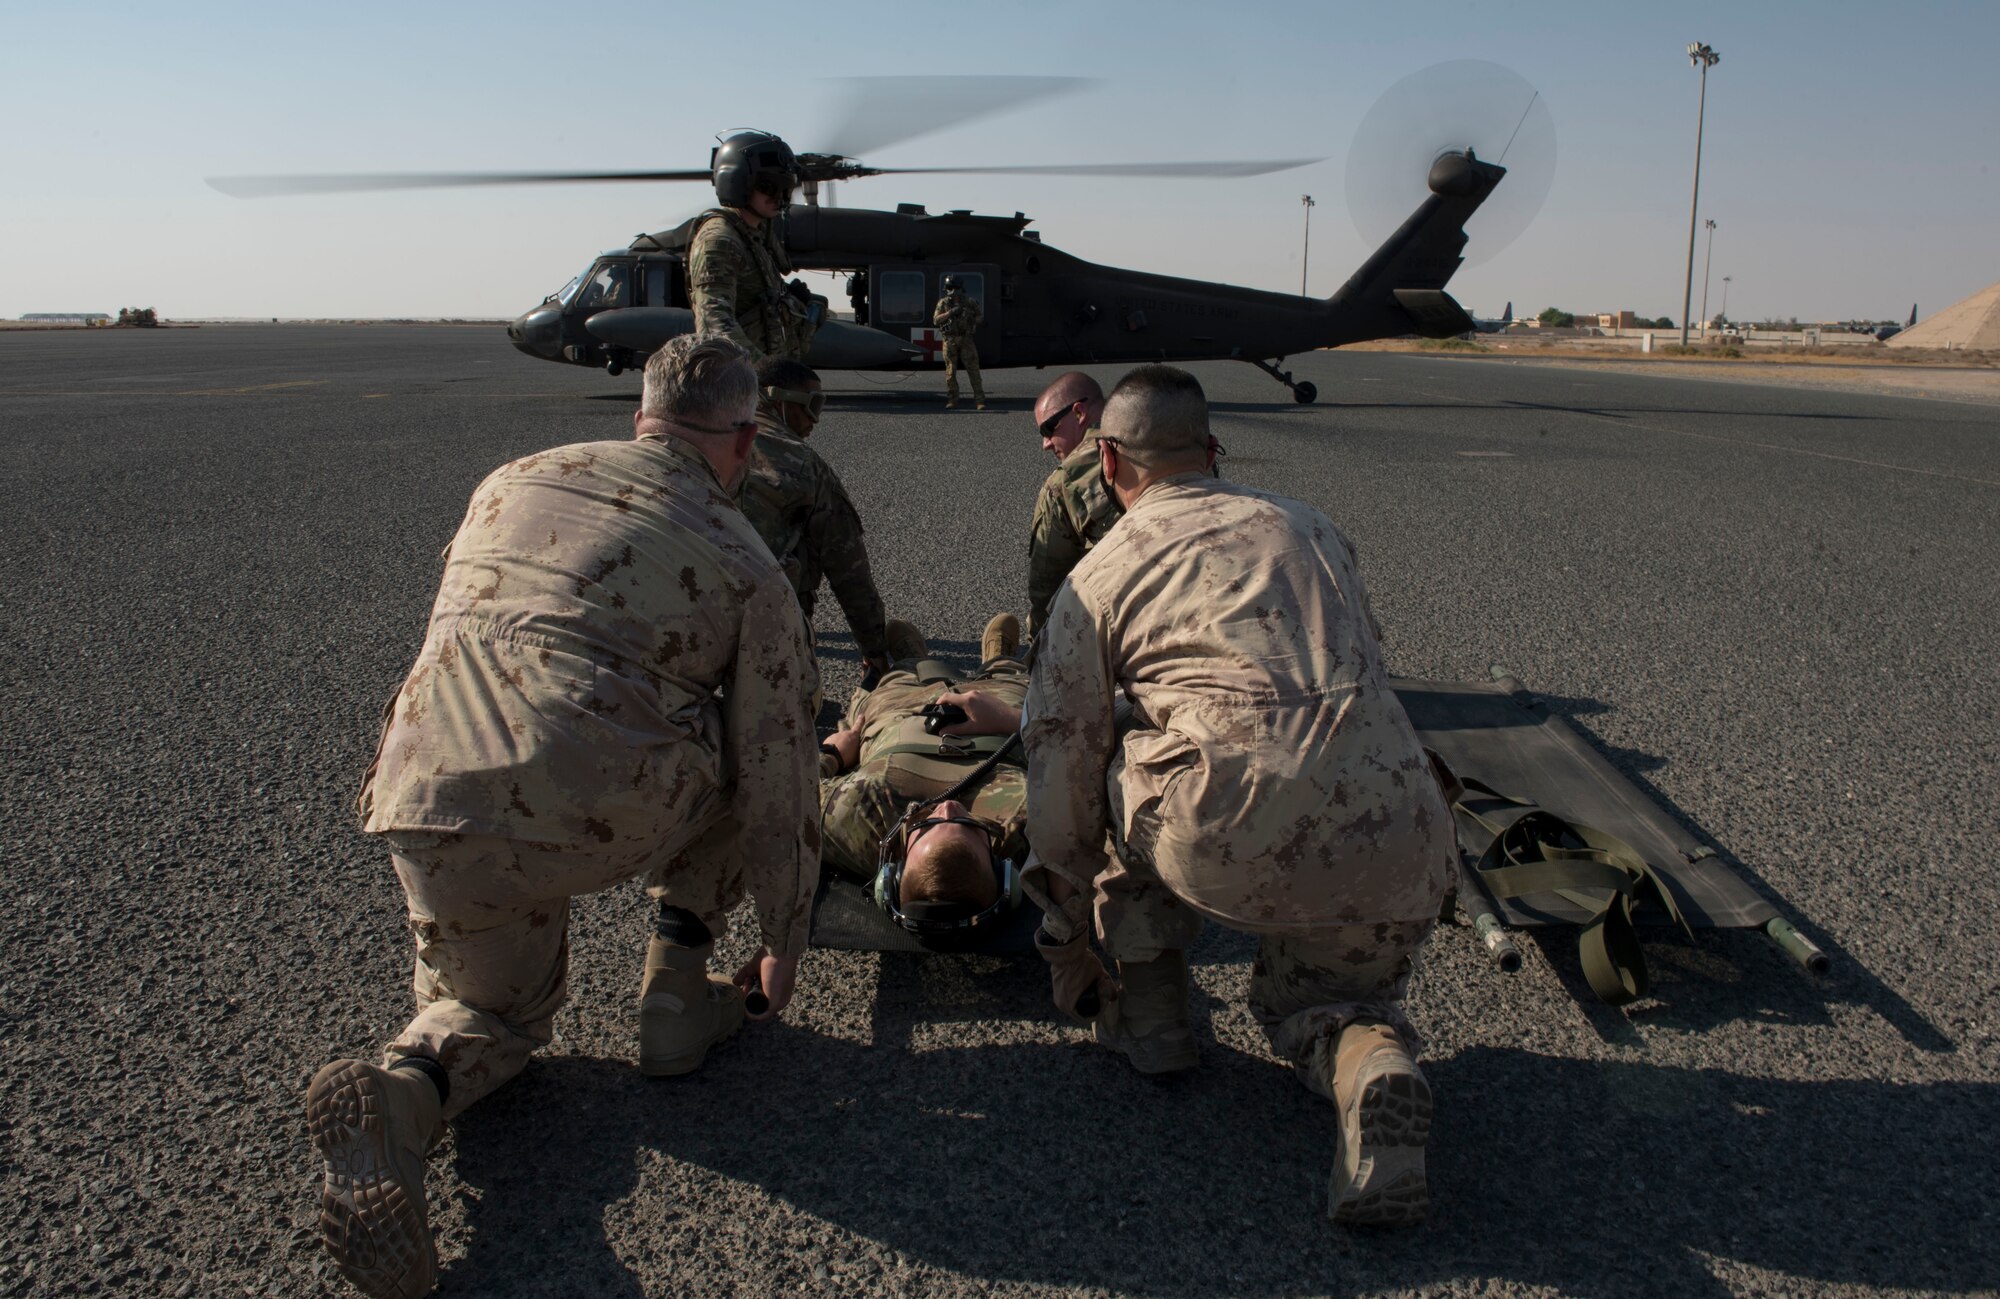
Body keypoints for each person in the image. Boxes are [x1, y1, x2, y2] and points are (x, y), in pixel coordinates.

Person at [308, 336, 820, 1299]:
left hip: (426, 793)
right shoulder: (747, 560)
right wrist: (785, 936)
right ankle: (676, 983)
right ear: (745, 440)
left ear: (642, 418)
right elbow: (780, 766)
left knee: (493, 1011)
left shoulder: (510, 479)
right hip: (597, 800)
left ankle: (403, 1095)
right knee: (743, 736)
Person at [1020, 365, 1453, 1228]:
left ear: (1107, 461)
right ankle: (1367, 1057)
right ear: (1213, 450)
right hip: (1403, 824)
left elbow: (1059, 761)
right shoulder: (1314, 526)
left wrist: (1061, 924)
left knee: (1106, 753)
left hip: (1227, 831)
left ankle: (1153, 1014)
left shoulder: (1099, 573)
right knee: (1319, 998)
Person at [817, 614, 1029, 934]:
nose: (948, 807)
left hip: (899, 716)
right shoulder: (1033, 826)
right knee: (1013, 681)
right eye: (971, 826)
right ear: (1004, 871)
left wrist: (833, 754)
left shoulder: (852, 820)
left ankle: (910, 660)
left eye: (927, 826)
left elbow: (779, 797)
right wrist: (1017, 721)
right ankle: (1001, 660)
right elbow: (1098, 756)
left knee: (899, 680)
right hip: (998, 721)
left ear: (892, 872)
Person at [737, 357, 891, 681]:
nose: (815, 420)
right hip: (762, 629)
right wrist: (875, 647)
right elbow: (848, 568)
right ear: (779, 401)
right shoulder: (803, 465)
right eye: (812, 404)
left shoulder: (702, 438)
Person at [687, 131, 818, 363]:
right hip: (742, 386)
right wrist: (765, 372)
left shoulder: (755, 236)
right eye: (769, 187)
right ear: (737, 182)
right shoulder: (719, 242)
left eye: (786, 188)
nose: (779, 197)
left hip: (762, 385)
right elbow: (715, 327)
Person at [1025, 371, 1117, 636]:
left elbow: (1047, 584)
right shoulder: (1175, 446)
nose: (1045, 444)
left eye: (1048, 428)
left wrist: (1040, 645)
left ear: (1078, 413)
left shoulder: (1066, 481)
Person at [933, 275, 985, 410]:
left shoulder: (969, 302)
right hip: (950, 340)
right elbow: (936, 320)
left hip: (966, 340)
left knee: (973, 370)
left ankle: (979, 401)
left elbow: (980, 316)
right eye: (950, 288)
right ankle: (952, 400)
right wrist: (950, 313)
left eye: (955, 288)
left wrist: (972, 320)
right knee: (950, 372)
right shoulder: (943, 303)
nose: (953, 291)